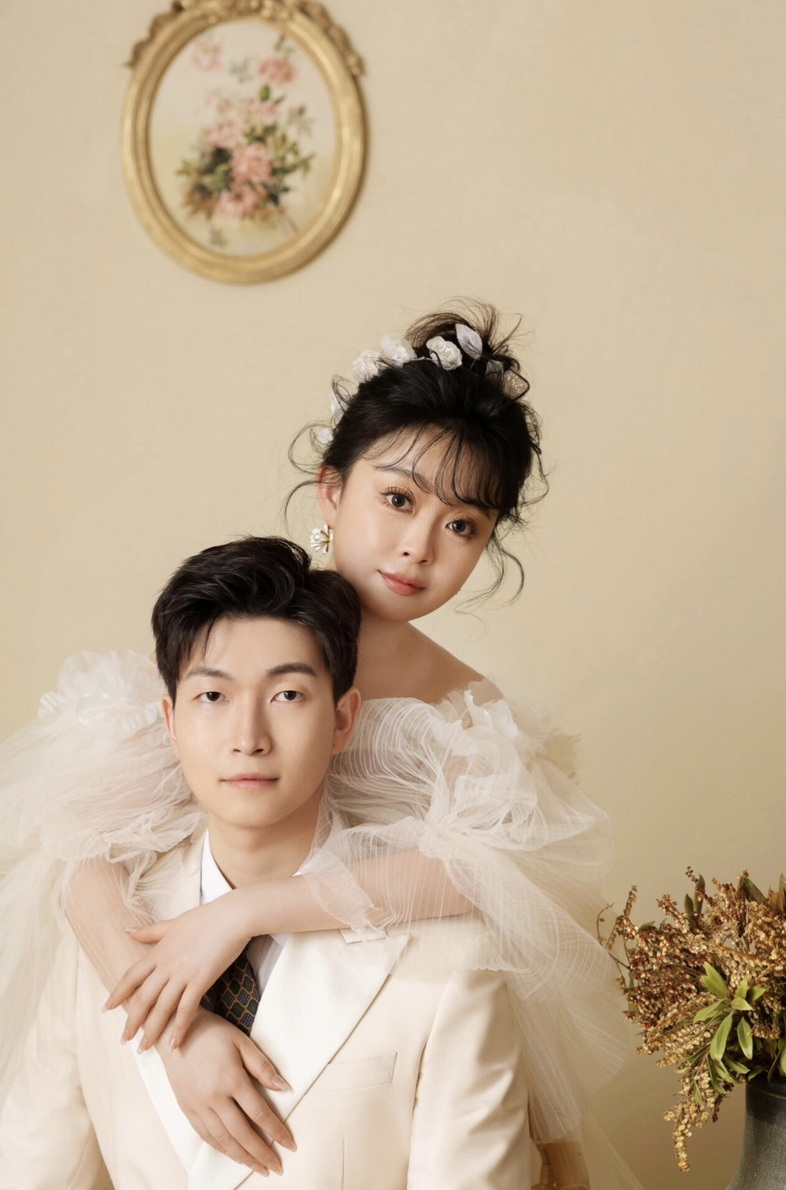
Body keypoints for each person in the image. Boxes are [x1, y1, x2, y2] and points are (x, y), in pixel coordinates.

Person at [0, 306, 628, 1188]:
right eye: (398, 499)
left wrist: (244, 914)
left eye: (462, 526)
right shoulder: (236, 637)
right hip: (202, 1006)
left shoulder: (473, 722)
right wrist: (172, 1030)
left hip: (393, 1042)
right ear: (332, 490)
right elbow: (76, 843)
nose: (418, 547)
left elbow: (493, 878)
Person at [0, 535, 533, 1188]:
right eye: (213, 697)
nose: (248, 739)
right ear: (170, 722)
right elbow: (32, 1170)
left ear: (343, 720)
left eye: (287, 695)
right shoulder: (97, 937)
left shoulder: (452, 963)